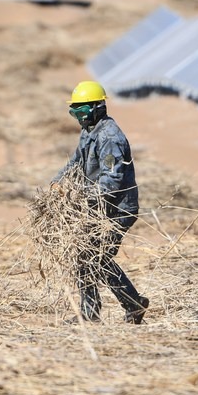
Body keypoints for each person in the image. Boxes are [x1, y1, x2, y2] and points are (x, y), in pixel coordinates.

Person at [52, 80, 150, 324]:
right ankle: (115, 307)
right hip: (100, 208)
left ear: (98, 107)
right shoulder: (89, 130)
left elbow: (112, 179)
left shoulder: (110, 137)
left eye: (82, 110)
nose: (78, 115)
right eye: (74, 111)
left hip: (118, 209)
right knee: (86, 256)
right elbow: (76, 162)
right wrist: (58, 182)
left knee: (97, 257)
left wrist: (82, 197)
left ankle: (122, 306)